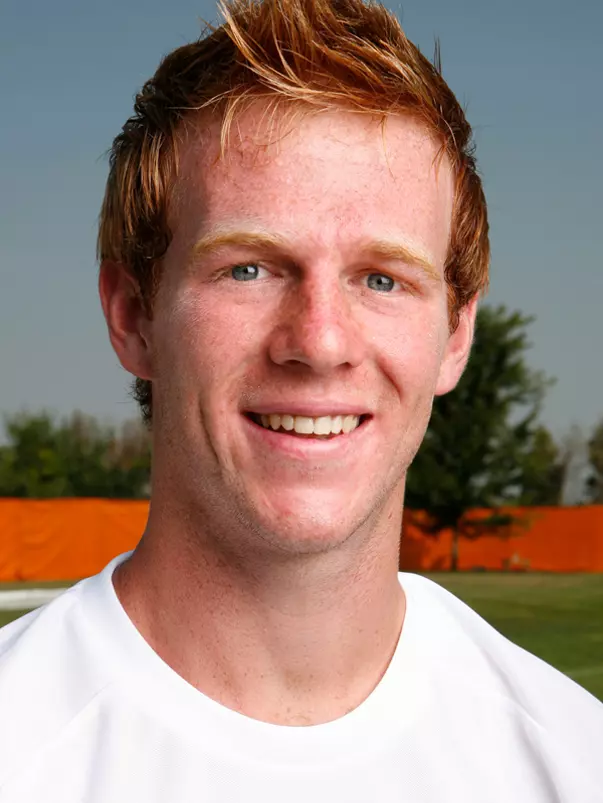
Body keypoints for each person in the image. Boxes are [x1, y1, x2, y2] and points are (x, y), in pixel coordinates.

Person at [1, 0, 601, 799]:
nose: (318, 341)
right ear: (134, 315)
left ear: (455, 335)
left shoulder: (573, 757)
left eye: (381, 278)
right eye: (249, 268)